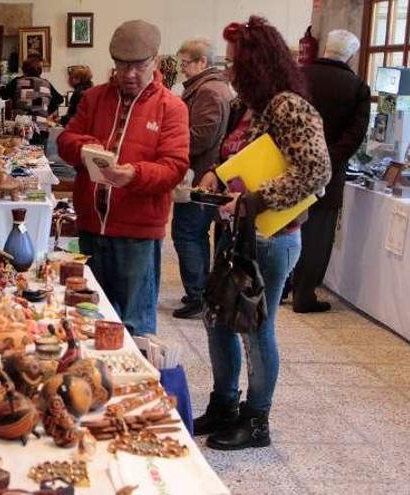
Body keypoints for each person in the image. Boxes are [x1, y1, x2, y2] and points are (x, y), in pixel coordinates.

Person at [194, 16, 331, 450]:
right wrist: (216, 176)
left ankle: (257, 422)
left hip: (272, 237)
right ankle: (225, 404)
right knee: (219, 319)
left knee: (254, 328)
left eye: (236, 64)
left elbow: (316, 170)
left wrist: (253, 200)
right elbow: (242, 157)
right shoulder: (252, 106)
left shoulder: (289, 106)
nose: (230, 73)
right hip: (238, 233)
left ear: (259, 65)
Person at [58, 19, 190, 335]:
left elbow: (174, 166)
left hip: (138, 234)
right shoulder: (94, 98)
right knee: (89, 320)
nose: (129, 74)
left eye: (138, 66)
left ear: (155, 62)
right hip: (91, 228)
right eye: (121, 65)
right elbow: (65, 140)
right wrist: (86, 147)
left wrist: (133, 174)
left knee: (134, 326)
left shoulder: (171, 107)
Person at [292, 30, 371, 313]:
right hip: (330, 172)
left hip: (292, 165)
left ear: (326, 48)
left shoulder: (300, 76)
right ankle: (304, 293)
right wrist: (327, 161)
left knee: (286, 224)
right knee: (318, 233)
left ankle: (280, 286)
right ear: (351, 55)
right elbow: (354, 135)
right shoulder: (357, 87)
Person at [171, 37, 233, 319]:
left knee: (188, 233)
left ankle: (198, 295)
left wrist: (171, 143)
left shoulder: (209, 92)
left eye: (186, 63)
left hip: (201, 177)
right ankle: (198, 292)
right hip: (203, 173)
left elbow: (201, 137)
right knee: (191, 233)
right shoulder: (211, 88)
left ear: (202, 62)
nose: (183, 69)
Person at [0, 56, 64, 122]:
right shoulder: (46, 84)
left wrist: (1, 87)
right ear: (40, 71)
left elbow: (3, 95)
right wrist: (47, 110)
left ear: (24, 70)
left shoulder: (17, 82)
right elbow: (59, 99)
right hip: (41, 125)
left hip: (21, 126)